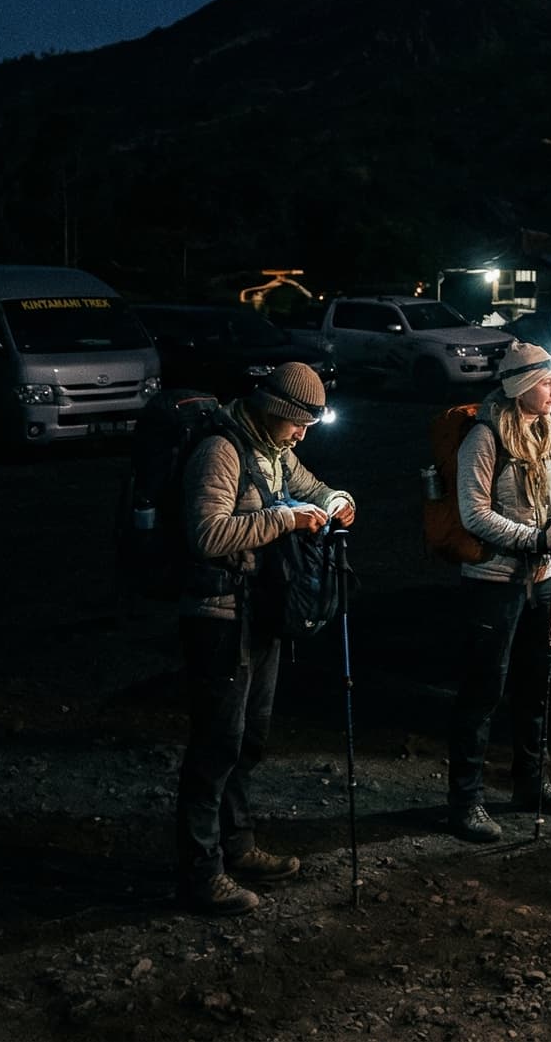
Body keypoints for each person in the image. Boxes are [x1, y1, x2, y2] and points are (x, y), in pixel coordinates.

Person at [177, 361, 354, 916]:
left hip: (261, 614)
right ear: (274, 411)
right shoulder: (223, 450)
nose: (303, 434)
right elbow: (207, 533)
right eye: (298, 423)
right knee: (216, 745)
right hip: (219, 615)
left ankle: (239, 846)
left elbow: (316, 488)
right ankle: (201, 872)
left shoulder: (274, 451)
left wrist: (335, 503)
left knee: (249, 739)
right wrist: (287, 522)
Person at [447, 340, 551, 843]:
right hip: (492, 584)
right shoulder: (484, 439)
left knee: (535, 686)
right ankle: (465, 800)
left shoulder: (549, 432)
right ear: (523, 385)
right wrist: (535, 538)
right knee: (483, 691)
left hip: (542, 582)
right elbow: (473, 514)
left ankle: (530, 782)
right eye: (547, 382)